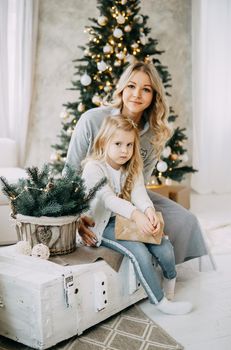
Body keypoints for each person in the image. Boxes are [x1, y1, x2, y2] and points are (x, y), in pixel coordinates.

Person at [64, 60, 208, 264]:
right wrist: (75, 217)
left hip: (130, 192)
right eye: (131, 86)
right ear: (122, 88)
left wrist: (144, 211)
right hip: (91, 197)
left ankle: (167, 268)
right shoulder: (91, 120)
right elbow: (69, 173)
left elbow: (139, 183)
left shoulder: (154, 134)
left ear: (154, 96)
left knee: (186, 220)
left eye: (146, 89)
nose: (136, 94)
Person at [81, 115, 192, 315]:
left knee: (163, 244)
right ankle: (160, 303)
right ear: (104, 142)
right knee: (139, 251)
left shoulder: (131, 166)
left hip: (125, 219)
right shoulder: (94, 168)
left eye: (129, 145)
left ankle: (170, 283)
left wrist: (148, 212)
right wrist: (136, 215)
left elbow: (139, 193)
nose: (125, 150)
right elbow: (108, 199)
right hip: (101, 225)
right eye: (118, 144)